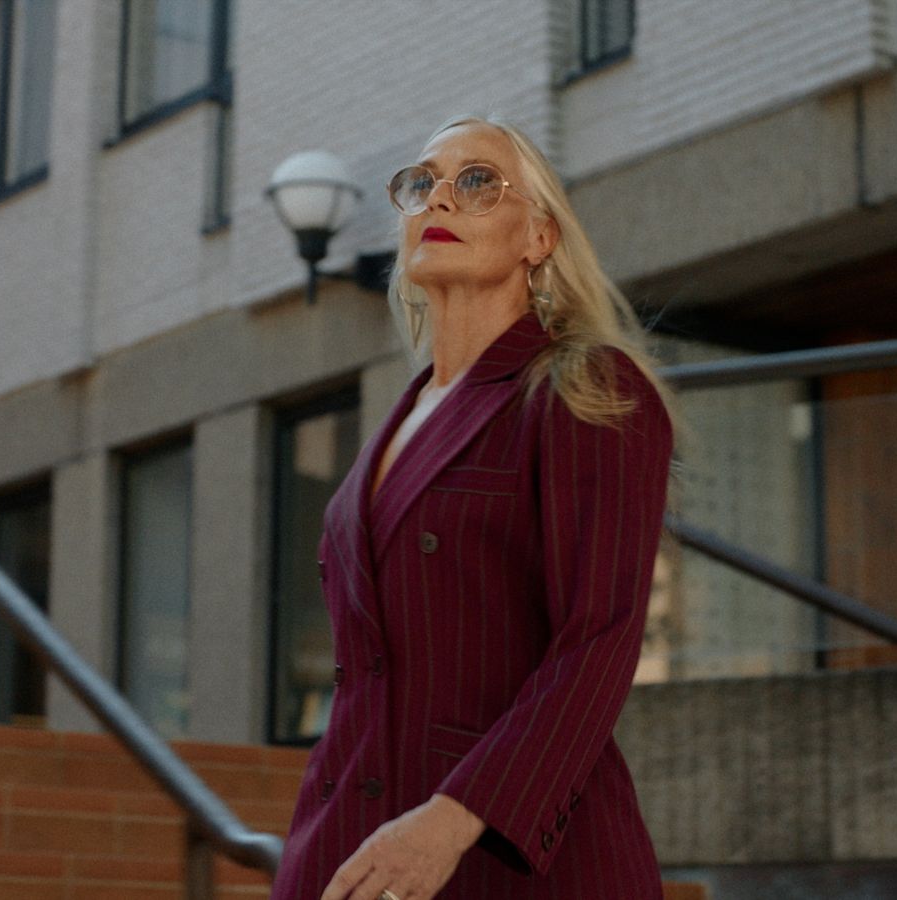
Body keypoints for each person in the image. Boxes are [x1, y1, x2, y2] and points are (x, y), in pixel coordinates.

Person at [271, 114, 682, 900]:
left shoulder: (585, 387)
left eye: (478, 182)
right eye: (422, 184)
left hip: (513, 856)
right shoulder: (397, 420)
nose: (441, 200)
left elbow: (597, 639)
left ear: (539, 238)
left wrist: (454, 819)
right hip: (351, 846)